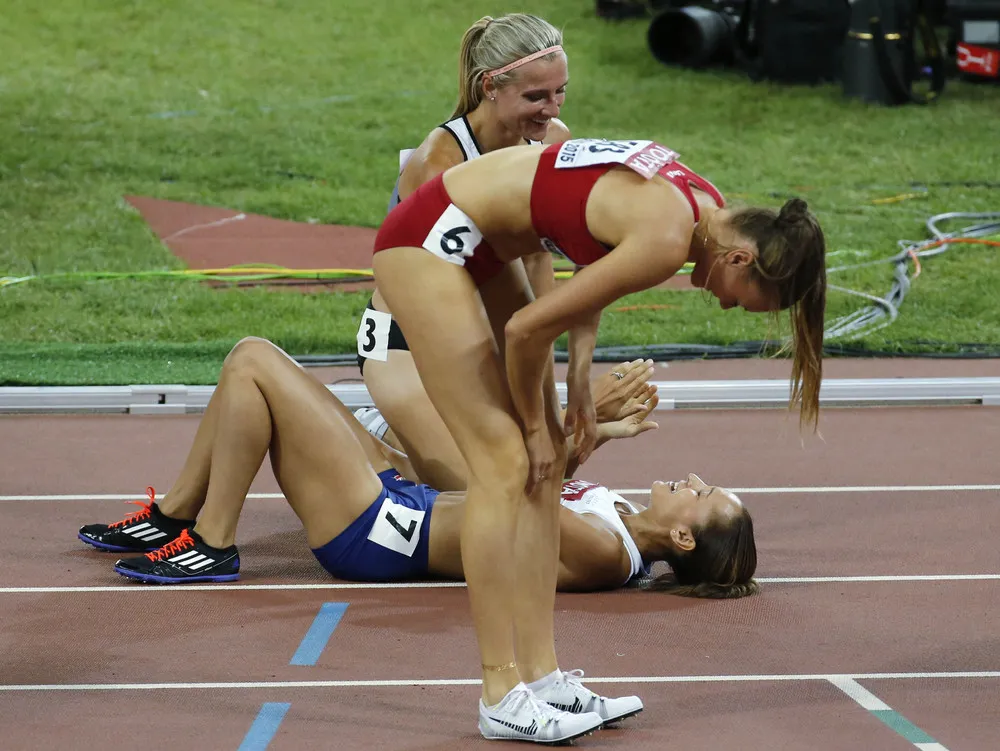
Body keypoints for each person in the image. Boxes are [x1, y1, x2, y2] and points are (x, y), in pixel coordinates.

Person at [369, 133, 826, 739]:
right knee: (506, 465)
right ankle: (498, 690)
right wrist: (538, 426)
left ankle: (542, 677)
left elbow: (590, 265)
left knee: (544, 470)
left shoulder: (700, 204)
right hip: (428, 243)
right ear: (742, 258)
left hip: (481, 244)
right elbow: (529, 329)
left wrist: (579, 384)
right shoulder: (668, 241)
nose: (726, 307)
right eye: (746, 302)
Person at [78, 337, 758, 736]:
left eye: (702, 496)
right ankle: (175, 513)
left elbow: (530, 492)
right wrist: (592, 434)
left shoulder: (613, 553)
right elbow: (540, 480)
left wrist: (583, 423)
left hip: (380, 530)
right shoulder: (621, 515)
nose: (694, 478)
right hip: (408, 496)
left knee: (255, 363)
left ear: (684, 538)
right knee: (249, 366)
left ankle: (214, 542)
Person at [357, 13, 572, 491]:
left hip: (489, 326)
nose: (551, 109)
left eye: (560, 92)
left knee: (541, 468)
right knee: (488, 487)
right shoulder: (437, 163)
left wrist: (546, 391)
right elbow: (444, 301)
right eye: (536, 96)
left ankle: (412, 434)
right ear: (491, 86)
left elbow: (538, 263)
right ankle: (377, 434)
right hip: (409, 341)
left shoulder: (553, 142)